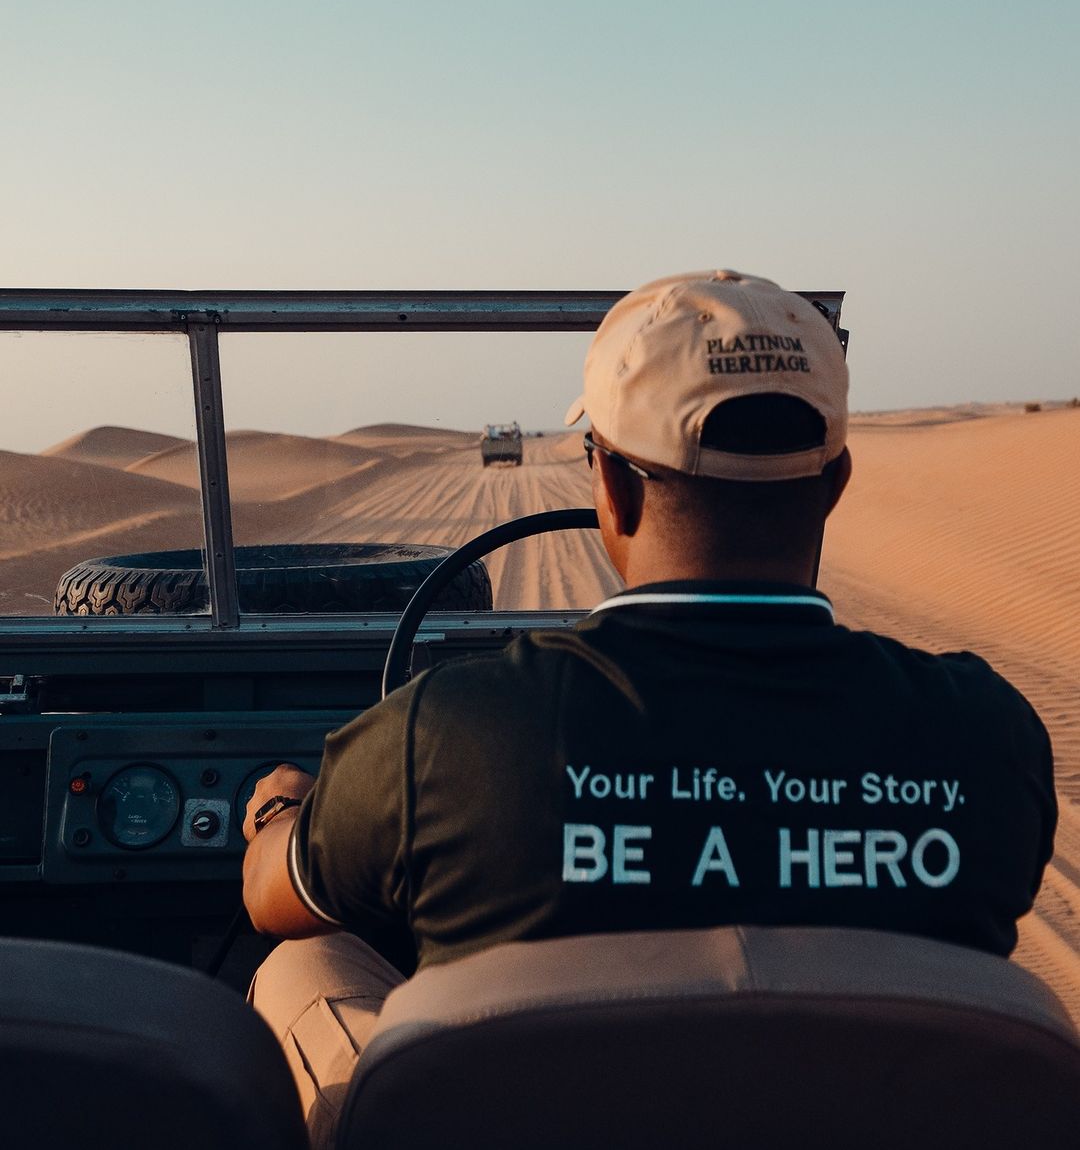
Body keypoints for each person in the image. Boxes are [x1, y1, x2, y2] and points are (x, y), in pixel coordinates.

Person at [242, 269, 1057, 1146]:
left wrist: (286, 806)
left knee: (305, 961)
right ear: (835, 482)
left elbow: (273, 897)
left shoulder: (447, 730)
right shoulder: (986, 732)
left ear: (613, 488)